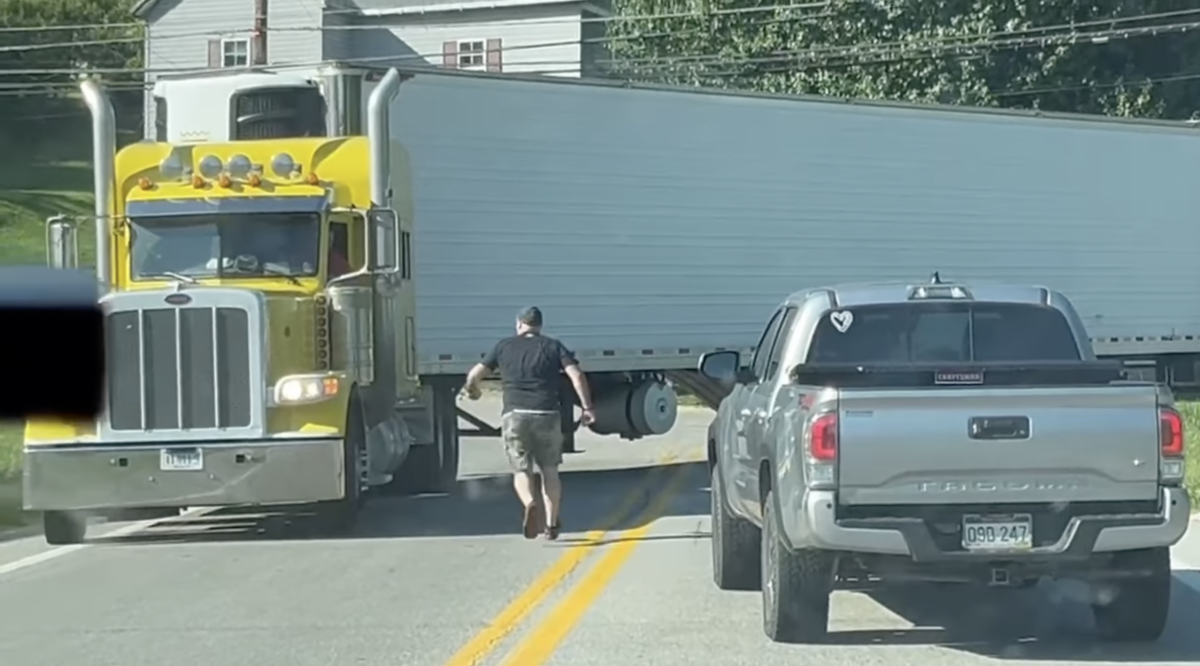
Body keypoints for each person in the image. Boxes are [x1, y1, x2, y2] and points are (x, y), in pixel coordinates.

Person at [461, 306, 595, 540]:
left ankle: (530, 503)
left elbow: (474, 376)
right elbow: (576, 375)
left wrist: (473, 392)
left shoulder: (503, 346)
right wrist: (587, 407)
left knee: (521, 469)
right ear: (539, 325)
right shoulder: (553, 346)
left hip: (515, 415)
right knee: (550, 470)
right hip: (547, 413)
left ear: (519, 324)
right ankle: (552, 524)